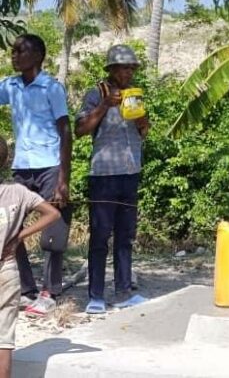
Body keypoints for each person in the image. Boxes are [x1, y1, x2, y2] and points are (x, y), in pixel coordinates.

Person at [0, 34, 72, 317]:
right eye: (13, 51)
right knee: (9, 227)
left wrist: (63, 179)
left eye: (21, 51)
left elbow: (66, 131)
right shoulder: (11, 86)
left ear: (38, 56)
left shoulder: (51, 88)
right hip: (22, 165)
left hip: (49, 165)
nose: (14, 55)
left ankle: (50, 291)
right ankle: (27, 289)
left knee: (54, 230)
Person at [75, 45, 150, 314]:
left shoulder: (135, 95)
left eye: (131, 67)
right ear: (111, 69)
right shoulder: (97, 93)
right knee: (100, 236)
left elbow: (143, 132)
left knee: (126, 235)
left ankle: (124, 291)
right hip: (104, 175)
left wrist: (143, 121)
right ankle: (95, 295)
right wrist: (105, 105)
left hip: (130, 172)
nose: (128, 72)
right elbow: (80, 129)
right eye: (123, 67)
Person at [0, 135, 61, 378]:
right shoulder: (18, 192)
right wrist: (18, 237)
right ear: (5, 162)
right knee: (4, 340)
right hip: (7, 269)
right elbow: (52, 214)